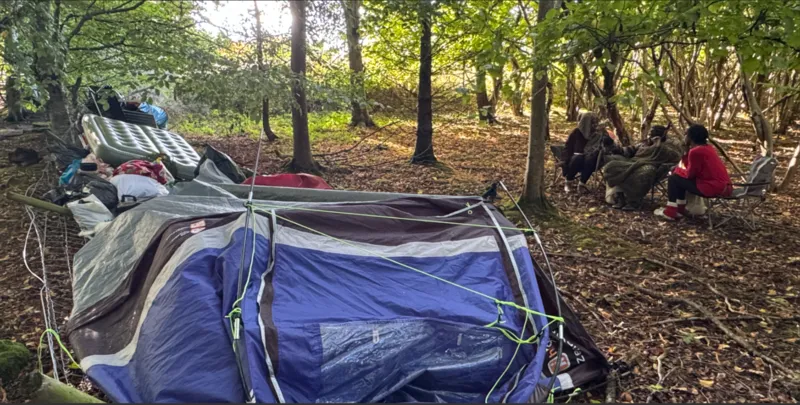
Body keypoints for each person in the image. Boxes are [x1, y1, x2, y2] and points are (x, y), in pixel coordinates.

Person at [654, 124, 731, 221]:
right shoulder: (707, 148)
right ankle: (680, 209)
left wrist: (677, 170)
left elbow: (689, 175)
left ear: (691, 137)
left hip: (714, 187)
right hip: (725, 186)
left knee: (673, 179)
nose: (684, 137)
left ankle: (670, 212)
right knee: (677, 178)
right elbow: (691, 169)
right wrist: (684, 156)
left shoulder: (696, 151)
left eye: (686, 134)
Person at [603, 124, 683, 210]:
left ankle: (634, 201)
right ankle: (621, 198)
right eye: (650, 132)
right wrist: (615, 148)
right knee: (612, 166)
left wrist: (659, 145)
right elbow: (630, 150)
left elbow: (676, 157)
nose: (650, 134)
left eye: (653, 132)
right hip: (633, 163)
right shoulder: (645, 143)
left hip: (652, 166)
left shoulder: (669, 144)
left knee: (646, 171)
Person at [561, 112, 612, 193]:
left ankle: (582, 184)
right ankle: (568, 181)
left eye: (595, 122)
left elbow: (610, 144)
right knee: (578, 158)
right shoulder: (577, 132)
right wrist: (564, 160)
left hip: (593, 161)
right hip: (576, 161)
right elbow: (568, 147)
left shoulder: (599, 132)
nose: (594, 124)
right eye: (592, 122)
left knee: (591, 158)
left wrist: (604, 134)